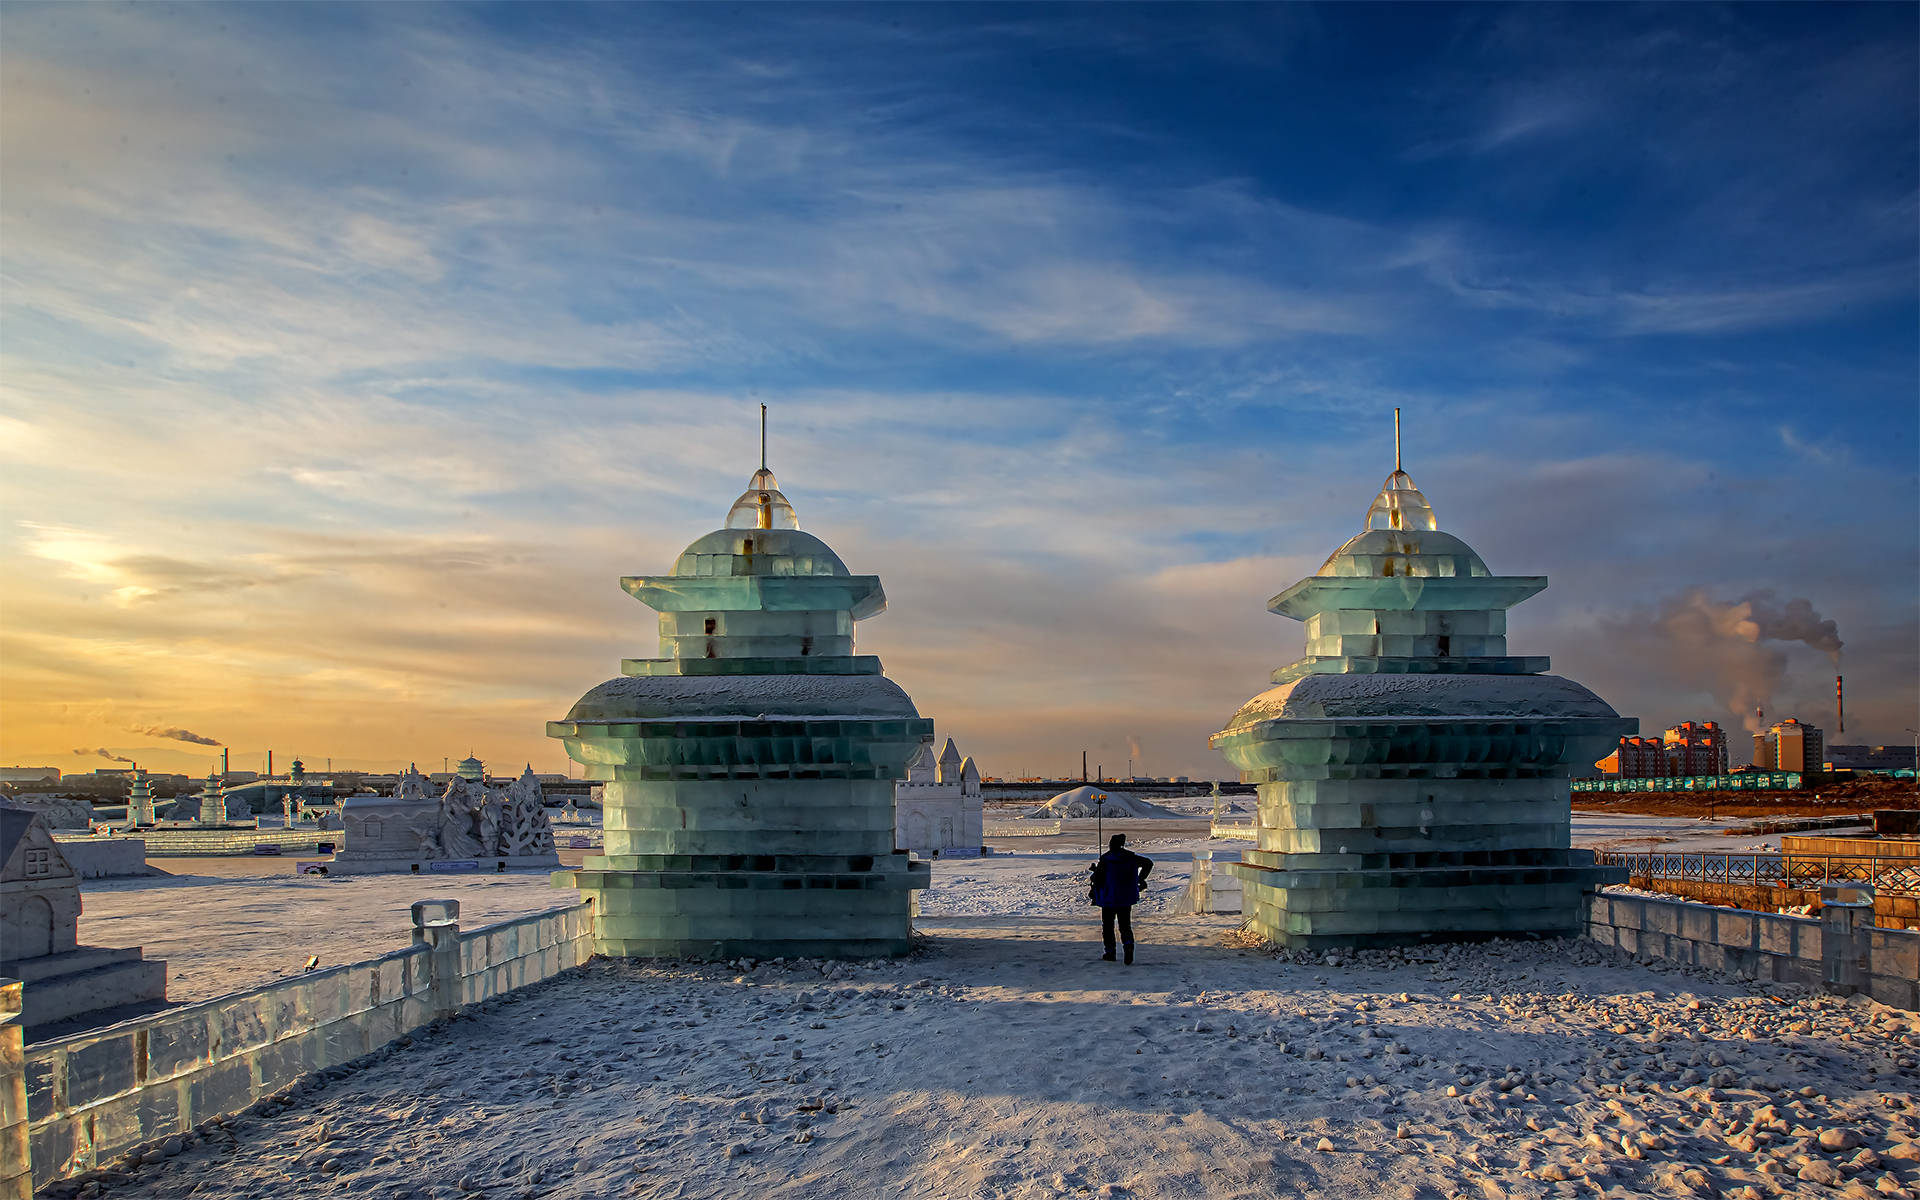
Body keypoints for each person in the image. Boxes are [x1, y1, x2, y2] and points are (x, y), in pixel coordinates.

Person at [1088, 833, 1153, 964]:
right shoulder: (1131, 857)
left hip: (1108, 899)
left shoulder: (1106, 859)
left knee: (1108, 926)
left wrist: (1094, 873)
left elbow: (1098, 879)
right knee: (1125, 926)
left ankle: (1110, 952)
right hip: (1125, 897)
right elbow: (1148, 863)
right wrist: (1140, 879)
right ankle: (1128, 947)